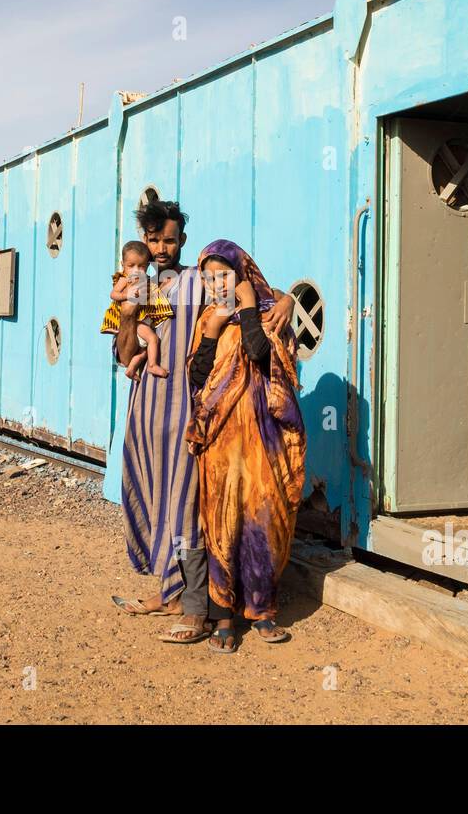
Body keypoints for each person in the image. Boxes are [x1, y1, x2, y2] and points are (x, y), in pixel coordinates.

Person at [108, 200, 296, 645]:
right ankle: (169, 593)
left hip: (189, 412)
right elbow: (122, 354)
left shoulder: (196, 282)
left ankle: (195, 610)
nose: (160, 249)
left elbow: (251, 290)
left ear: (182, 241)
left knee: (187, 508)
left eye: (168, 239)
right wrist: (131, 314)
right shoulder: (135, 287)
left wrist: (287, 299)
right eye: (153, 240)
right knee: (155, 500)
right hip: (145, 410)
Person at [186, 240, 307, 654]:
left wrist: (251, 305)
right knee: (221, 522)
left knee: (263, 518)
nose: (215, 284)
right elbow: (197, 375)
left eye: (223, 275)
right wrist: (213, 331)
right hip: (220, 443)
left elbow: (259, 352)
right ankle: (223, 616)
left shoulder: (270, 312)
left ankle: (262, 610)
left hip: (262, 439)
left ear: (241, 276)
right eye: (208, 277)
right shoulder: (208, 318)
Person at [100, 240, 171, 380]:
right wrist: (127, 295)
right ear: (123, 266)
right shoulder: (124, 280)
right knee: (153, 339)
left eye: (142, 266)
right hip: (137, 323)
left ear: (148, 266)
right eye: (131, 266)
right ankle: (152, 365)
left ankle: (131, 369)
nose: (136, 271)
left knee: (143, 350)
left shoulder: (147, 281)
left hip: (142, 322)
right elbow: (113, 294)